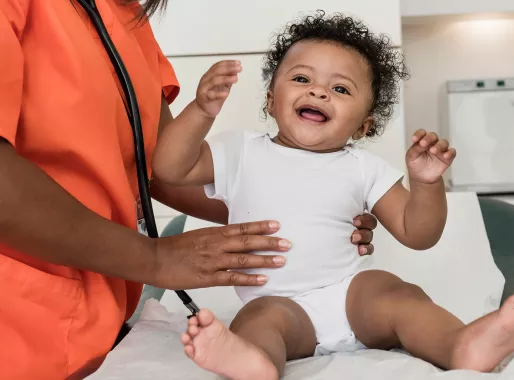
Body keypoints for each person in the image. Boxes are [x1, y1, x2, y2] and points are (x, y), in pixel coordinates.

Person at [152, 12, 514, 380]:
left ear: (363, 125)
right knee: (256, 321)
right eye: (302, 80)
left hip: (350, 295)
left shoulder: (363, 167)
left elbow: (417, 233)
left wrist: (426, 183)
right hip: (281, 304)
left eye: (340, 88)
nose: (320, 92)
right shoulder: (240, 151)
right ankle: (255, 362)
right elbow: (170, 169)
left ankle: (459, 345)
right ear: (271, 100)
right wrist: (200, 111)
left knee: (397, 293)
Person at [0, 2, 378, 379]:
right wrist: (155, 260)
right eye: (300, 79)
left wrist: (313, 218)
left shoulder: (126, 16)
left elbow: (160, 166)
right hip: (17, 333)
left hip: (98, 335)